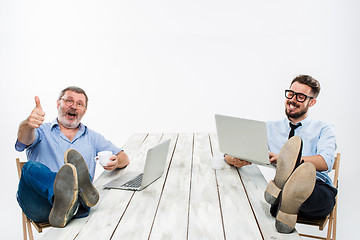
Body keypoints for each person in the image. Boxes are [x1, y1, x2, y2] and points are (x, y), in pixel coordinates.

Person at [224, 75, 337, 233]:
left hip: (316, 188)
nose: (292, 99)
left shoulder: (324, 129)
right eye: (290, 94)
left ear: (312, 102)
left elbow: (325, 162)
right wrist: (231, 158)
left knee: (308, 187)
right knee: (284, 194)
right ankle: (286, 192)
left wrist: (289, 161)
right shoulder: (269, 128)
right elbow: (241, 149)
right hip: (282, 192)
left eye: (300, 96)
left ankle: (290, 187)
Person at [16, 86, 129, 227]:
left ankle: (74, 201)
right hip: (42, 204)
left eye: (79, 103)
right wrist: (28, 124)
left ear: (84, 110)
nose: (74, 106)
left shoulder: (92, 137)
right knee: (29, 168)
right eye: (69, 101)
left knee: (81, 174)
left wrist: (116, 161)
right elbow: (23, 139)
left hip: (74, 208)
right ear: (58, 104)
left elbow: (124, 157)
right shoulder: (41, 130)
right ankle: (67, 196)